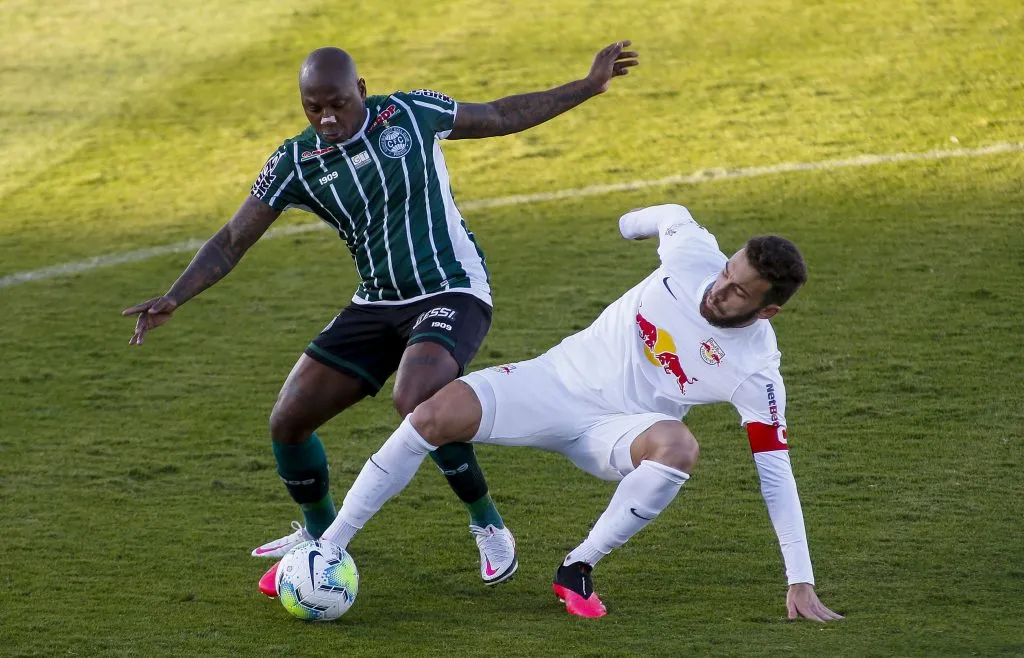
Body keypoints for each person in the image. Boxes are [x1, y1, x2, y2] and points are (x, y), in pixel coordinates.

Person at [121, 42, 640, 589]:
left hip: (452, 290)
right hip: (377, 300)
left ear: (362, 90)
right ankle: (322, 542)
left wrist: (586, 85)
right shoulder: (295, 162)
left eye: (338, 104)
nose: (327, 118)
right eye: (313, 107)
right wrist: (175, 295)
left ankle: (488, 523)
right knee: (288, 421)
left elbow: (501, 114)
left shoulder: (411, 115)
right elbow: (230, 240)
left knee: (415, 396)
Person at [309, 204, 844, 621]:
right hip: (553, 383)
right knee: (431, 415)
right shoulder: (691, 256)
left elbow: (776, 474)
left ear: (768, 310)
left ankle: (577, 567)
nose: (718, 290)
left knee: (679, 446)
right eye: (726, 273)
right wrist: (629, 225)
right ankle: (328, 550)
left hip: (617, 433)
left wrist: (800, 577)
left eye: (737, 293)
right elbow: (669, 214)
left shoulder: (755, 370)